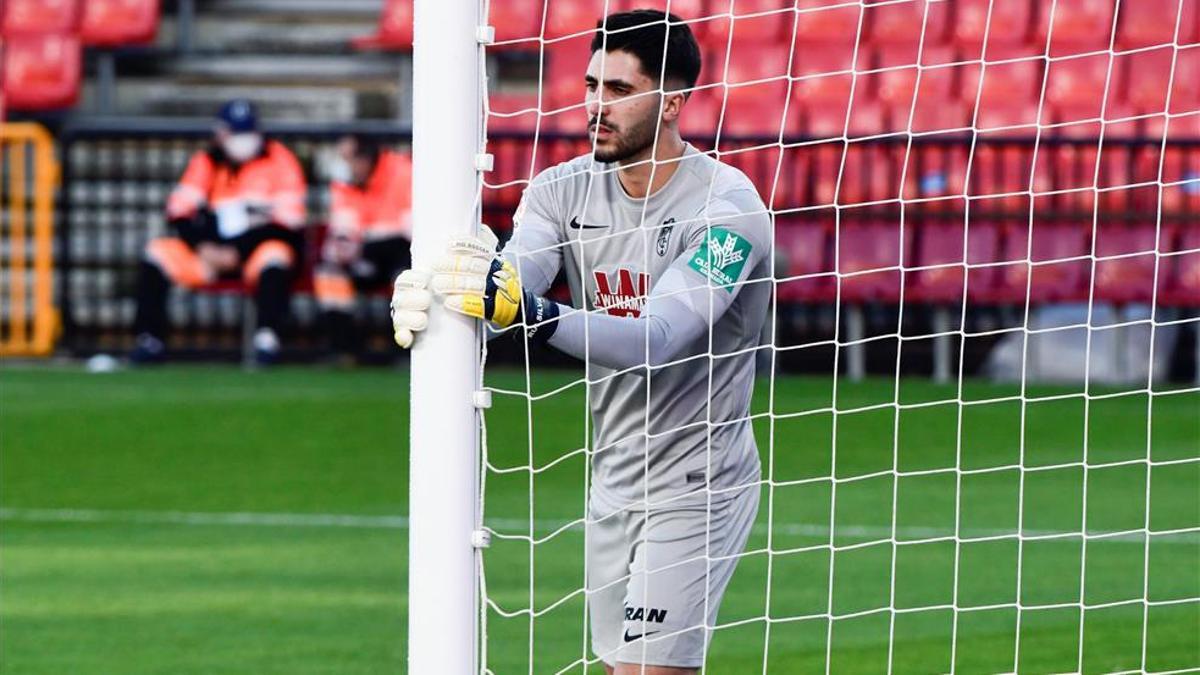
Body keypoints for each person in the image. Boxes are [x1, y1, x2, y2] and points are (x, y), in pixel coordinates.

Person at [392, 10, 771, 674]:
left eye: (619, 91)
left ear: (674, 101)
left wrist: (532, 314)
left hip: (699, 477)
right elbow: (514, 277)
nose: (596, 104)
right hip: (613, 477)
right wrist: (441, 289)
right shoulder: (558, 190)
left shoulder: (728, 210)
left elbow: (660, 337)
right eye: (592, 85)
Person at [130, 99, 307, 365]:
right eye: (236, 134)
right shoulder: (207, 162)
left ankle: (266, 341)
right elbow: (179, 211)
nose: (242, 141)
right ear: (221, 134)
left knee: (276, 256)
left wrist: (237, 251)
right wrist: (205, 248)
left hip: (253, 254)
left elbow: (290, 223)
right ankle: (149, 340)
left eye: (247, 133)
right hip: (209, 254)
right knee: (157, 253)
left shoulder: (279, 159)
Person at [315, 135, 412, 361]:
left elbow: (411, 228)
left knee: (407, 279)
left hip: (399, 251)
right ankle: (344, 349)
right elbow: (342, 224)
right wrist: (342, 246)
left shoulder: (401, 172)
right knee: (329, 272)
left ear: (366, 158)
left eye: (351, 159)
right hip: (362, 251)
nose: (347, 166)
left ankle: (405, 350)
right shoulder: (345, 181)